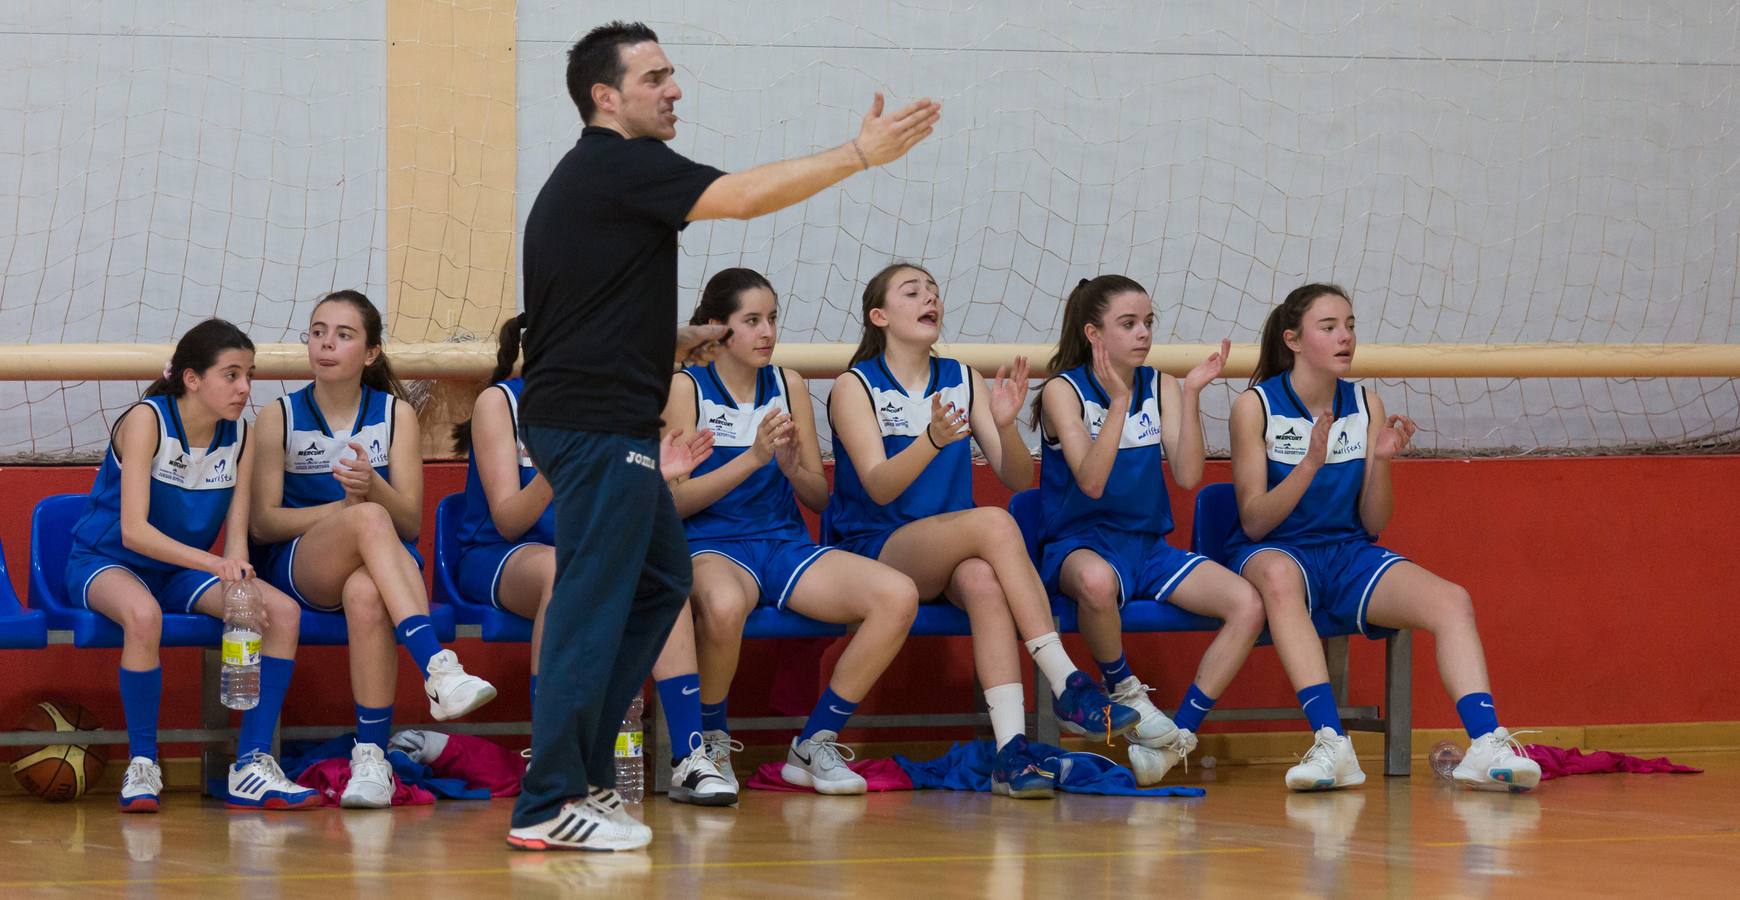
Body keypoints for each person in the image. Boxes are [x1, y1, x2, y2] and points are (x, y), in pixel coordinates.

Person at [509, 20, 939, 852]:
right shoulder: (618, 163)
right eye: (656, 77)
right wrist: (859, 154)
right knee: (592, 608)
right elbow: (741, 196)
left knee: (656, 584)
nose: (675, 90)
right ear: (607, 97)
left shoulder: (600, 181)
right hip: (594, 428)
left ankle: (586, 778)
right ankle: (547, 800)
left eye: (674, 74)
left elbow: (585, 313)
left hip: (603, 421)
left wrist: (668, 341)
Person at [825, 262, 1141, 800]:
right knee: (994, 521)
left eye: (935, 291)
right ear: (879, 316)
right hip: (877, 549)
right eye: (913, 292)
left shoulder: (961, 376)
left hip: (950, 550)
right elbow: (878, 488)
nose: (930, 298)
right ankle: (1065, 679)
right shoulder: (854, 386)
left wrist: (1007, 422)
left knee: (983, 580)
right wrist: (929, 438)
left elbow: (1018, 477)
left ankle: (1010, 751)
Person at [1226, 282, 1540, 792]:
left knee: (1452, 601)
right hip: (1277, 549)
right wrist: (1309, 463)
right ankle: (1332, 744)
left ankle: (1485, 745)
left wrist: (1380, 461)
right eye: (1328, 327)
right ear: (1294, 339)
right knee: (1280, 578)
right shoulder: (1255, 407)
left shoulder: (1366, 402)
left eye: (1349, 325)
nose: (1345, 337)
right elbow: (1255, 521)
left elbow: (1373, 523)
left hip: (1348, 553)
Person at [649, 268, 919, 803]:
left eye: (772, 318)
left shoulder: (789, 384)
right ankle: (711, 741)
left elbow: (820, 498)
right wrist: (751, 460)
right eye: (751, 320)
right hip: (711, 544)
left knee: (897, 594)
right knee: (723, 606)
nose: (767, 331)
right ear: (714, 329)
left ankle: (814, 741)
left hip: (784, 544)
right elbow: (672, 503)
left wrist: (795, 468)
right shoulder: (685, 386)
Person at [251, 290, 496, 809]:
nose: (326, 344)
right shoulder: (279, 415)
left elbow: (408, 521)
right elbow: (264, 522)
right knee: (365, 519)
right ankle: (437, 665)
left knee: (366, 592)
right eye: (318, 332)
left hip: (381, 566)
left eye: (343, 335)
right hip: (304, 566)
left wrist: (373, 488)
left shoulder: (395, 415)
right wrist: (349, 509)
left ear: (370, 353)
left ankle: (370, 758)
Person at [66, 319, 319, 812]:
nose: (245, 388)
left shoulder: (240, 434)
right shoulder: (146, 420)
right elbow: (133, 530)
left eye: (249, 374)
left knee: (281, 613)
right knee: (143, 616)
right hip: (107, 561)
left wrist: (239, 576)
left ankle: (251, 762)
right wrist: (215, 562)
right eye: (231, 375)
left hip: (180, 572)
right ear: (192, 378)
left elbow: (238, 535)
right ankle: (143, 764)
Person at [1032, 275, 1265, 784]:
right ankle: (1123, 689)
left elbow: (1187, 475)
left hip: (1148, 548)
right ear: (1094, 334)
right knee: (1094, 583)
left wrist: (1192, 394)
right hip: (1080, 544)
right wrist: (1118, 404)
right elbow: (1091, 483)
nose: (1144, 333)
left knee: (1246, 604)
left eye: (1148, 323)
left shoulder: (1158, 383)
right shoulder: (1061, 390)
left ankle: (1177, 736)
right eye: (1129, 324)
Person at [450, 314, 714, 727]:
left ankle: (691, 753)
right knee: (564, 573)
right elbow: (507, 521)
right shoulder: (499, 402)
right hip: (500, 555)